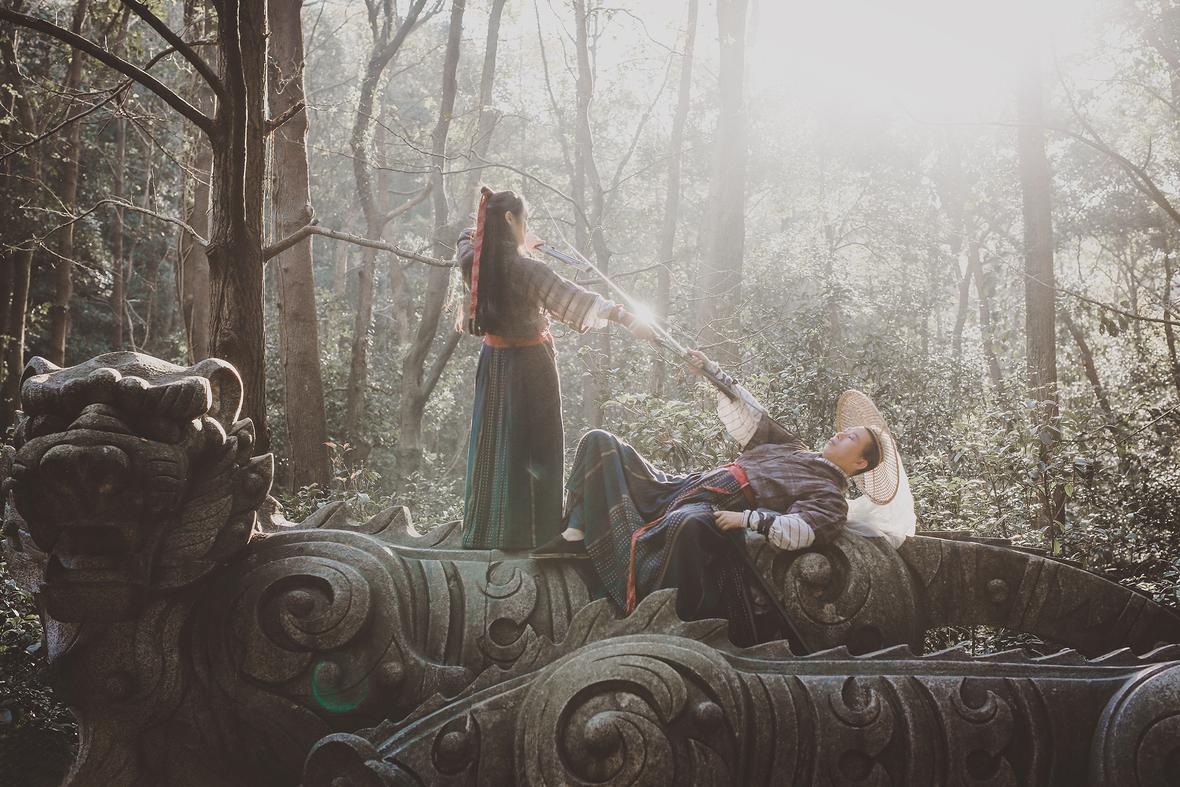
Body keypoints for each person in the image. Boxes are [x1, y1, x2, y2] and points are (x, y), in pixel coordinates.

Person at [531, 350, 907, 646]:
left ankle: (656, 620)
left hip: (714, 510)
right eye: (844, 431)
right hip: (684, 487)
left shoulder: (829, 497)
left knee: (686, 524)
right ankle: (575, 535)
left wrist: (747, 519)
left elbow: (800, 530)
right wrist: (710, 370)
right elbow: (753, 414)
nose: (839, 435)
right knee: (601, 442)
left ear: (859, 463)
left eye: (850, 438)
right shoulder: (793, 447)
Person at [457, 186, 654, 550]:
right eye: (524, 220)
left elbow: (465, 238)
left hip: (493, 364)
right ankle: (534, 534)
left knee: (494, 442)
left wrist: (513, 236)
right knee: (536, 447)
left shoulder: (474, 263)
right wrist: (627, 317)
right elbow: (575, 299)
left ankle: (486, 531)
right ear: (510, 219)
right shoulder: (529, 270)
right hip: (531, 367)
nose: (526, 226)